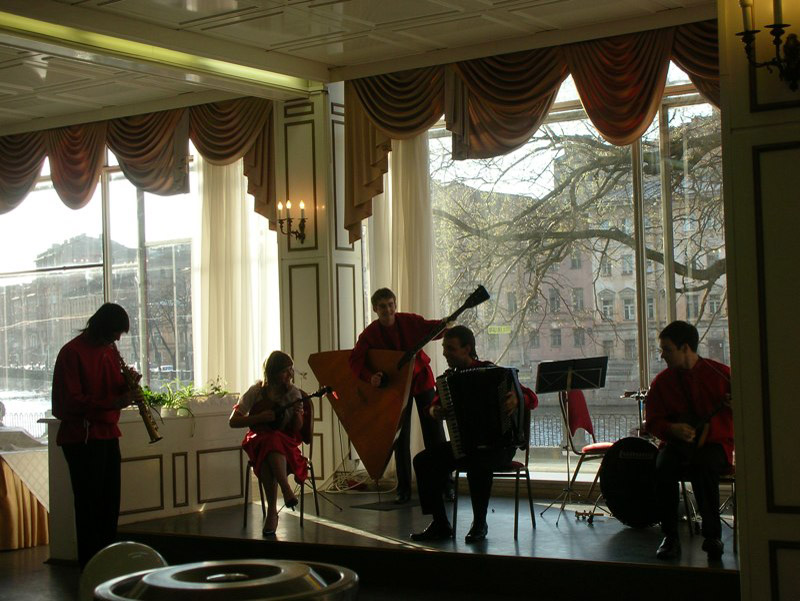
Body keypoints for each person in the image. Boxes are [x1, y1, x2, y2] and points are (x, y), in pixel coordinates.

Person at [410, 326, 538, 543]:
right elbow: (432, 407)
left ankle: (480, 523)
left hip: (500, 447)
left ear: (467, 349)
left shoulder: (494, 372)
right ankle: (440, 523)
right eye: (444, 348)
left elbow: (531, 397)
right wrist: (434, 411)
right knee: (423, 461)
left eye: (450, 348)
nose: (445, 353)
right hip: (465, 444)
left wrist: (518, 399)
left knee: (478, 459)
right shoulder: (448, 380)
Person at [51, 303, 139, 569]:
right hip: (82, 439)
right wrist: (113, 402)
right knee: (89, 507)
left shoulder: (108, 350)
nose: (117, 339)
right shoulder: (71, 353)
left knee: (110, 503)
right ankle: (91, 567)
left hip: (107, 434)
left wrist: (127, 383)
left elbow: (109, 387)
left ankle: (108, 564)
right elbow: (67, 403)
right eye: (115, 333)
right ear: (101, 328)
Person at [349, 288, 451, 504]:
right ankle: (403, 488)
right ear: (375, 309)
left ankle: (446, 484)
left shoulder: (409, 321)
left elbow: (431, 329)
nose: (387, 310)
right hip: (396, 387)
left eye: (390, 305)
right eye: (382, 306)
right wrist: (370, 377)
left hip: (420, 379)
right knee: (400, 438)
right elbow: (355, 361)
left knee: (434, 432)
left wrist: (446, 324)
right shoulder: (369, 334)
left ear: (395, 305)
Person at [645, 320, 733, 561]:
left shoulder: (722, 375)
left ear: (685, 348)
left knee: (704, 465)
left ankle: (713, 536)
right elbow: (652, 422)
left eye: (667, 349)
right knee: (663, 466)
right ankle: (670, 536)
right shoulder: (662, 382)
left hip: (715, 443)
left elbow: (747, 408)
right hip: (676, 444)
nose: (662, 355)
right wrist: (672, 429)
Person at [229, 351, 310, 536]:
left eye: (291, 370)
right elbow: (233, 421)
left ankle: (272, 511)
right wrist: (258, 418)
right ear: (273, 373)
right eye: (285, 371)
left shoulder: (293, 393)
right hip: (258, 439)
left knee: (270, 447)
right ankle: (285, 489)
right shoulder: (256, 391)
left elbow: (297, 428)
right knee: (268, 441)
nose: (290, 374)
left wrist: (297, 413)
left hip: (284, 442)